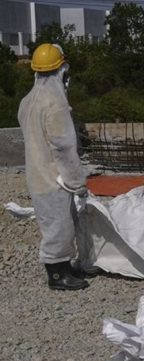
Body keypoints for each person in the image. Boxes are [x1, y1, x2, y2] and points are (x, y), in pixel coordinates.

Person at [18, 43, 89, 290]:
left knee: (55, 222)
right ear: (62, 70)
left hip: (36, 173)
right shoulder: (55, 102)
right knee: (59, 224)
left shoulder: (28, 100)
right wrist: (77, 181)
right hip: (53, 175)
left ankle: (64, 267)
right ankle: (57, 275)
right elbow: (63, 145)